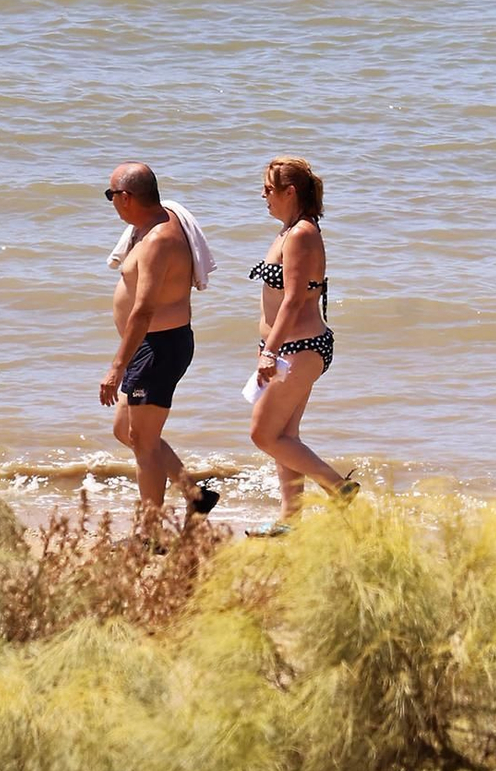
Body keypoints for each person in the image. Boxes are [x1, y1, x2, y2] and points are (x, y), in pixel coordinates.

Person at [101, 163, 218, 526]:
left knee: (144, 442)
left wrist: (117, 366)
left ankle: (149, 533)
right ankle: (195, 495)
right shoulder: (150, 224)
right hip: (148, 346)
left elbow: (144, 309)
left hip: (159, 347)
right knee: (127, 431)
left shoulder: (157, 240)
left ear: (126, 197)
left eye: (110, 195)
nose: (111, 203)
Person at [247, 156, 357, 535]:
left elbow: (294, 300)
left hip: (299, 347)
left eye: (269, 189)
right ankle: (290, 520)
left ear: (289, 192)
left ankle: (338, 488)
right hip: (291, 347)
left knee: (263, 434)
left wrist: (270, 351)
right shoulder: (289, 230)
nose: (263, 196)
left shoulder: (301, 234)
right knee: (285, 437)